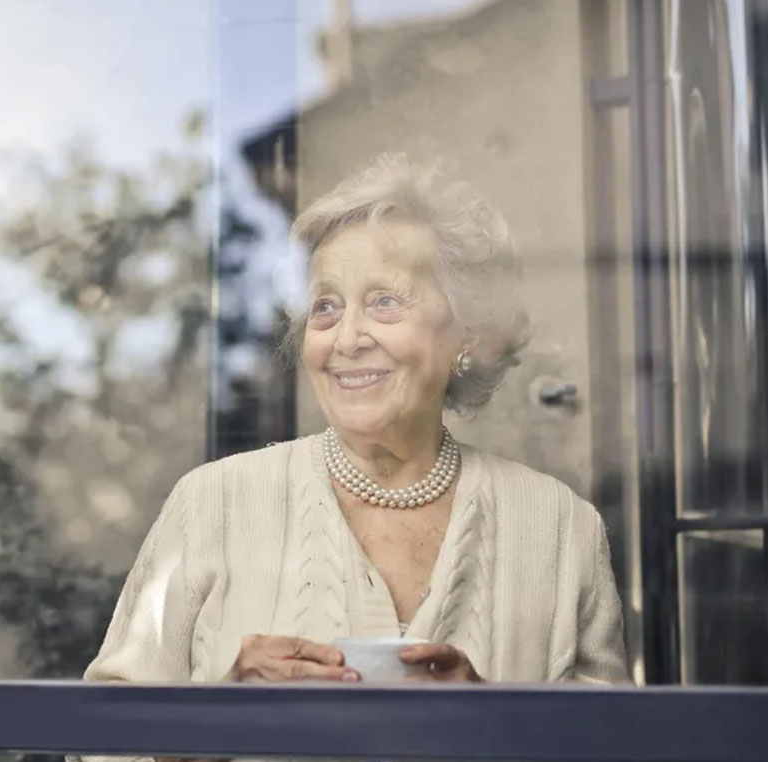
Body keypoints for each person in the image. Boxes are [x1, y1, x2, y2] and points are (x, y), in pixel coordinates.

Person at [83, 154, 629, 686]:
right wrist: (225, 714)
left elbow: (616, 749)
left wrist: (487, 724)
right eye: (325, 307)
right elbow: (106, 745)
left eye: (385, 301)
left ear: (468, 332)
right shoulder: (211, 505)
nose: (346, 339)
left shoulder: (560, 529)